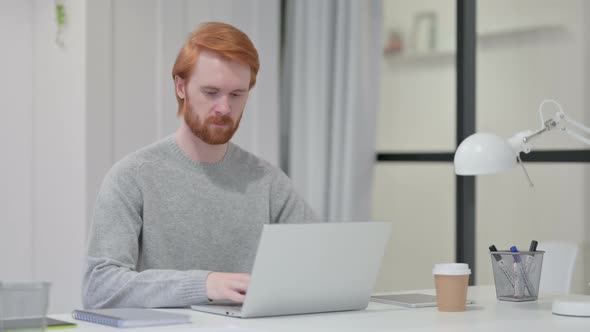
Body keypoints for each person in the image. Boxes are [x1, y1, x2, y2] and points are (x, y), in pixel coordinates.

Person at [82, 22, 317, 309]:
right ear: (181, 87)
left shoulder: (268, 181)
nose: (224, 108)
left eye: (236, 94)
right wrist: (204, 285)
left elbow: (318, 265)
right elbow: (100, 287)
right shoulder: (133, 176)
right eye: (211, 92)